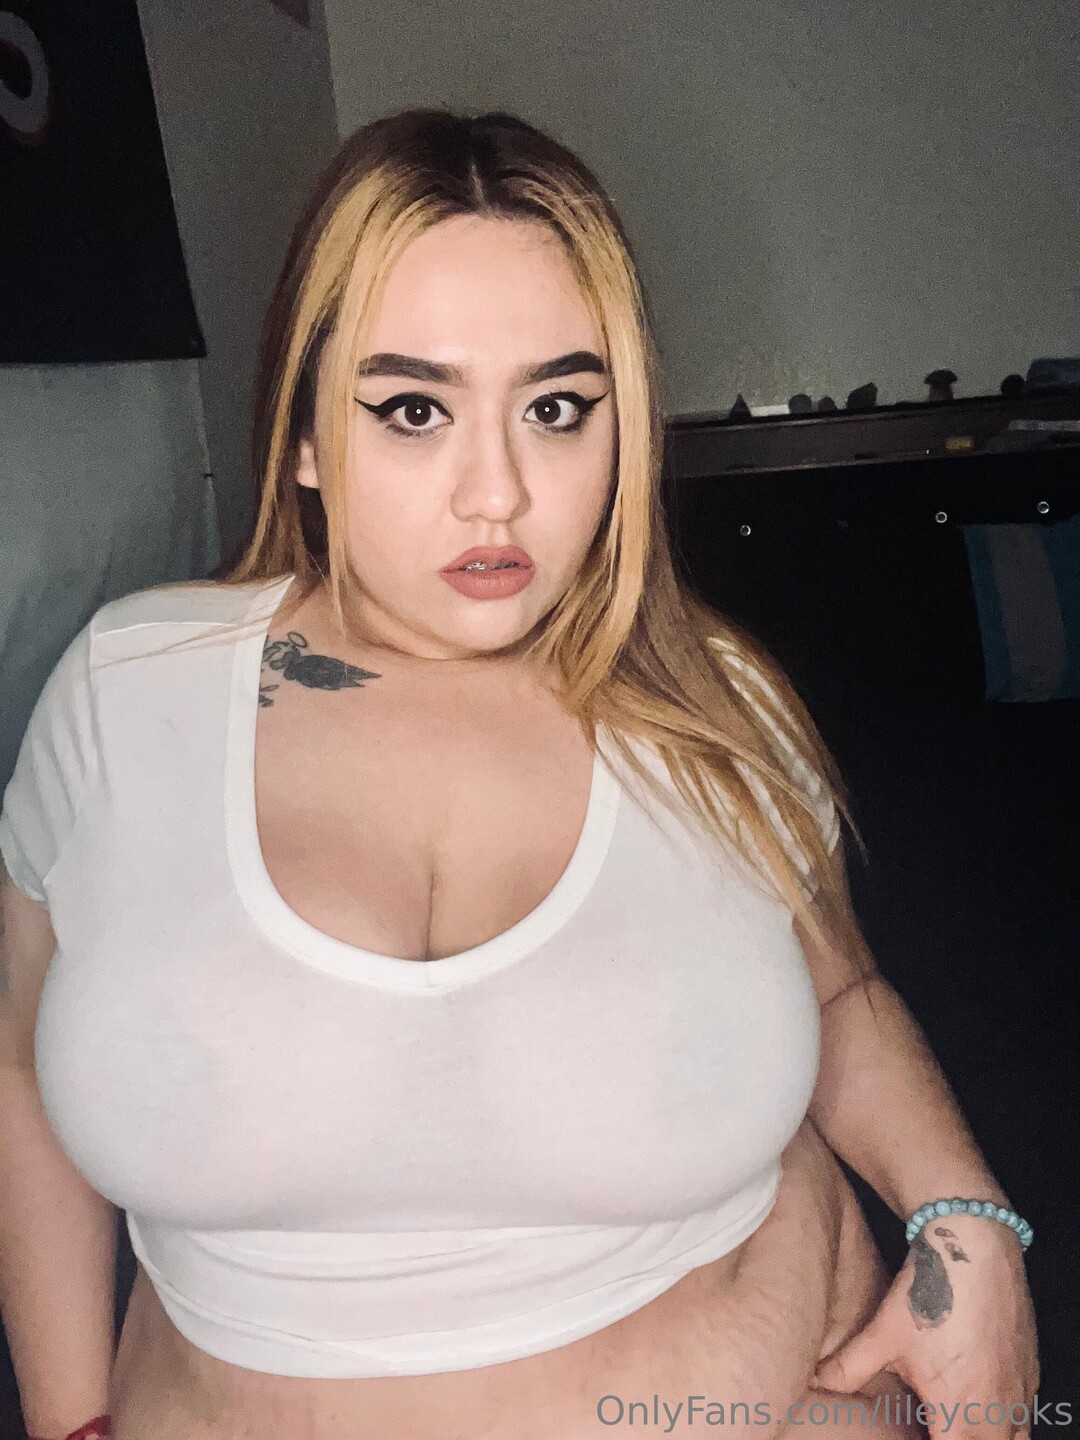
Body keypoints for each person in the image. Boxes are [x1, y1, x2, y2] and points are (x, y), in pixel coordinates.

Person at [0, 108, 1039, 1440]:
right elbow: (22, 1052)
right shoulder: (130, 690)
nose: (495, 493)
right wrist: (72, 1417)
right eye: (413, 410)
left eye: (556, 409)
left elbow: (840, 990)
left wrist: (970, 1225)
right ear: (303, 436)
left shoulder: (710, 703)